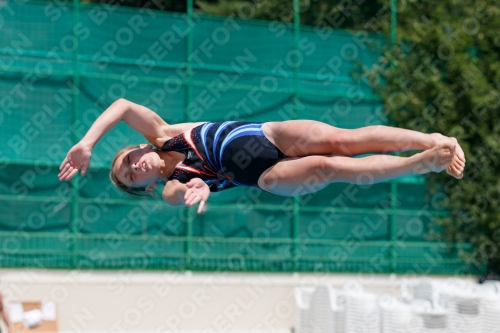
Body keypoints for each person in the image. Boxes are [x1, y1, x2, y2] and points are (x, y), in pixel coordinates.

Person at [58, 98, 465, 214]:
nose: (135, 167)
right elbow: (180, 195)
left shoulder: (165, 135)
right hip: (268, 176)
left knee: (345, 140)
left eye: (129, 160)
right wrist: (194, 186)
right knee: (331, 166)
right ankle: (418, 164)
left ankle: (431, 138)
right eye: (132, 178)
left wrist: (89, 143)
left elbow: (124, 106)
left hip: (268, 134)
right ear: (144, 188)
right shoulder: (171, 186)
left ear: (140, 147)